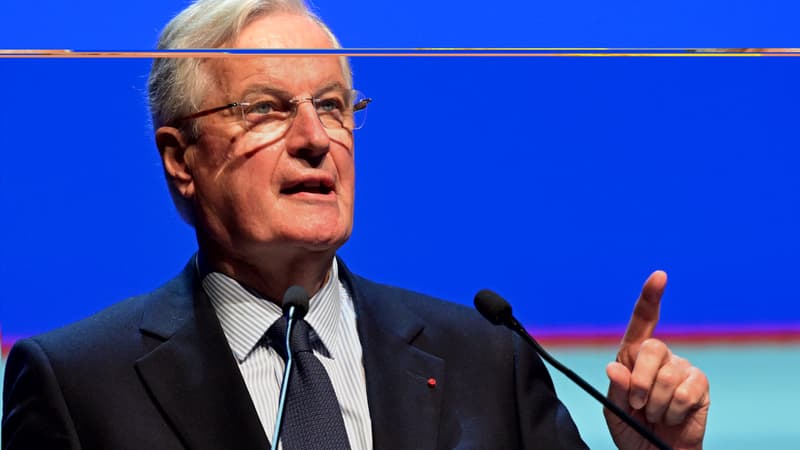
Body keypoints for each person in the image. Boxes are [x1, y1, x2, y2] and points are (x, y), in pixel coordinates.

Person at [2, 0, 710, 448]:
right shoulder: (78, 385)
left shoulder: (488, 362)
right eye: (267, 109)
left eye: (334, 106)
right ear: (180, 159)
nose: (316, 138)